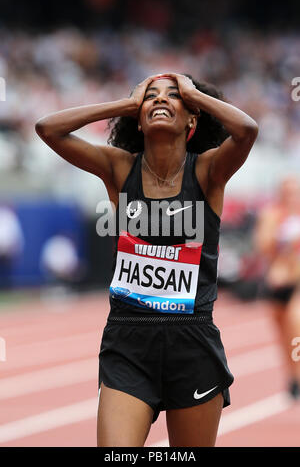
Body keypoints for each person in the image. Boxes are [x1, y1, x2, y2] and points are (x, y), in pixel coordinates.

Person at [35, 72, 258, 447]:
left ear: (192, 118)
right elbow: (47, 128)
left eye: (173, 96)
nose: (159, 100)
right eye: (150, 97)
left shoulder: (207, 171)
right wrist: (124, 103)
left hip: (192, 342)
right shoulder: (119, 169)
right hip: (128, 342)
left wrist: (193, 95)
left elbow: (247, 131)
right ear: (137, 117)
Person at [254, 175, 300, 399]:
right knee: (284, 337)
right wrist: (282, 238)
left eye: (295, 191)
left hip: (297, 282)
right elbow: (263, 246)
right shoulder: (271, 215)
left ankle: (298, 376)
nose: (292, 195)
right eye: (287, 191)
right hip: (276, 282)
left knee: (296, 329)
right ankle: (292, 376)